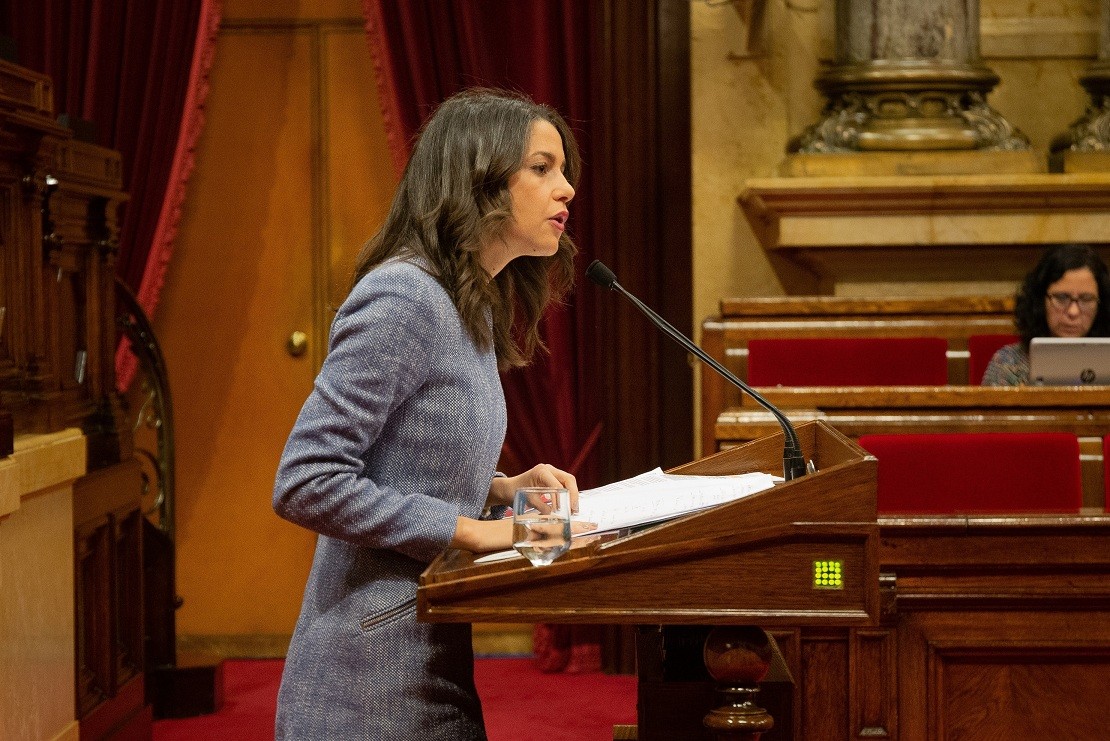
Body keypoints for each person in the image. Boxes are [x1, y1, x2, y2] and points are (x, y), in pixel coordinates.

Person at [272, 88, 594, 739]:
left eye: (564, 171)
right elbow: (305, 479)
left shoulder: (468, 305)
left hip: (428, 662)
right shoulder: (403, 295)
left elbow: (407, 468)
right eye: (542, 167)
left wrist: (502, 490)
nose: (566, 190)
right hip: (364, 687)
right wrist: (468, 530)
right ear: (480, 176)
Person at [982, 243, 1110, 386]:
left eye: (1086, 299)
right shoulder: (1008, 365)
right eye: (1061, 298)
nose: (1073, 312)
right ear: (1040, 301)